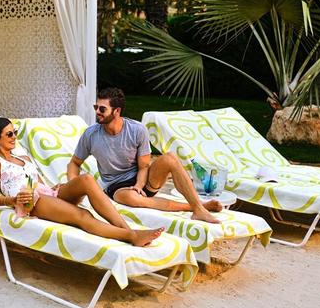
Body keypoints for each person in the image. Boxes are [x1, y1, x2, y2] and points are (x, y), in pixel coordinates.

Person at [0, 117, 164, 247]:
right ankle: (131, 236)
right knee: (83, 214)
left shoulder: (24, 158)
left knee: (86, 179)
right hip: (30, 202)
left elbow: (36, 181)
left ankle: (125, 228)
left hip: (45, 194)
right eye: (9, 134)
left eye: (15, 132)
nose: (14, 137)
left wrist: (52, 188)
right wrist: (12, 201)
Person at [68, 88, 222, 224]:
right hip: (117, 187)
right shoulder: (91, 135)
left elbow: (144, 166)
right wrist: (73, 185)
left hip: (143, 180)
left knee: (170, 158)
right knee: (132, 198)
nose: (97, 112)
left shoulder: (137, 130)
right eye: (96, 107)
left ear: (117, 111)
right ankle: (196, 207)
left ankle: (198, 208)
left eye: (102, 109)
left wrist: (139, 185)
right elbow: (74, 163)